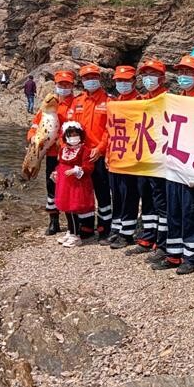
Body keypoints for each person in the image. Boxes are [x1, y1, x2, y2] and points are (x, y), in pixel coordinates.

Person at [152, 55, 194, 275]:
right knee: (174, 210)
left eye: (189, 72)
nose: (184, 76)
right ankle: (173, 254)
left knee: (191, 212)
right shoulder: (175, 101)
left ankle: (192, 257)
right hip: (174, 165)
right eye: (181, 72)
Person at [126, 59, 170, 260]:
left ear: (162, 77)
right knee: (147, 199)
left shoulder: (169, 100)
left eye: (153, 74)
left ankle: (163, 242)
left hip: (161, 160)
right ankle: (148, 236)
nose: (148, 78)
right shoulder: (140, 100)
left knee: (161, 201)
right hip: (143, 159)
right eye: (145, 74)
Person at [26, 69, 75, 236]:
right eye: (61, 84)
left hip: (69, 155)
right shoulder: (47, 106)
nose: (64, 87)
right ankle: (53, 221)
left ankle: (72, 223)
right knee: (51, 186)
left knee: (69, 186)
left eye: (67, 84)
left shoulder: (76, 105)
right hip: (51, 155)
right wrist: (32, 138)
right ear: (55, 85)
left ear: (72, 85)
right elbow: (35, 127)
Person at [67, 64, 112, 240]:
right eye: (86, 78)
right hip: (81, 155)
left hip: (99, 154)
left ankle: (104, 228)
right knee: (83, 192)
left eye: (93, 77)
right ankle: (86, 226)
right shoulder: (77, 101)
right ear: (82, 80)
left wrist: (100, 149)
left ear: (99, 79)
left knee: (102, 192)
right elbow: (71, 127)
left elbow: (110, 128)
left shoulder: (109, 101)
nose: (90, 80)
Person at [104, 65, 141, 249]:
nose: (122, 84)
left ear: (134, 81)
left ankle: (127, 233)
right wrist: (107, 153)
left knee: (129, 194)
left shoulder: (140, 102)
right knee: (116, 194)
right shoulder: (115, 102)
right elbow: (109, 130)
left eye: (126, 80)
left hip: (130, 158)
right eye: (119, 80)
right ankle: (117, 228)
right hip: (115, 155)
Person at [52, 121, 95, 248]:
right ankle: (70, 231)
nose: (73, 137)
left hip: (77, 185)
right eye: (70, 135)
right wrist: (56, 172)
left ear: (81, 135)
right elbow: (61, 164)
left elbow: (89, 167)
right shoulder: (63, 149)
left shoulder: (84, 150)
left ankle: (76, 235)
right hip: (65, 184)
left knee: (72, 210)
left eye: (76, 134)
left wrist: (76, 170)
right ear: (65, 137)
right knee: (66, 209)